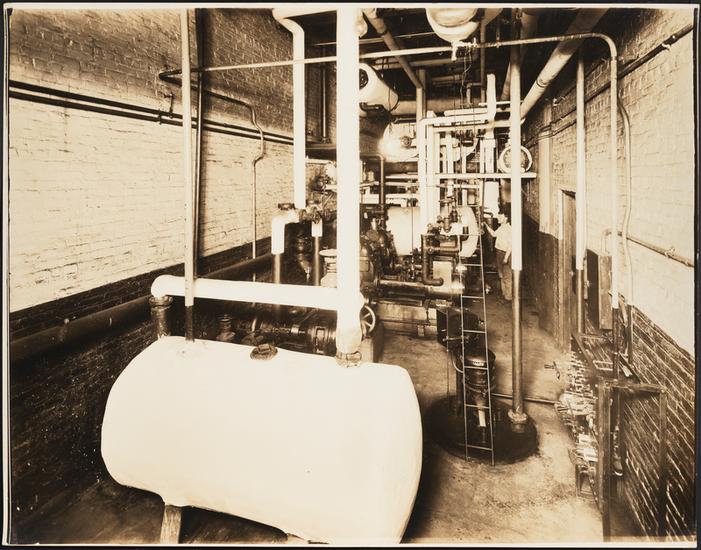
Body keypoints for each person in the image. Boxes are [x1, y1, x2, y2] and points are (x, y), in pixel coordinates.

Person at [483, 208, 512, 301]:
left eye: (500, 216)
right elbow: (494, 234)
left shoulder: (509, 229)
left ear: (506, 218)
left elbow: (511, 245)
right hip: (499, 252)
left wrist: (506, 258)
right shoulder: (501, 227)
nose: (498, 218)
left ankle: (509, 297)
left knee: (507, 276)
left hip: (505, 253)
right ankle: (504, 295)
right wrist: (486, 225)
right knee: (501, 275)